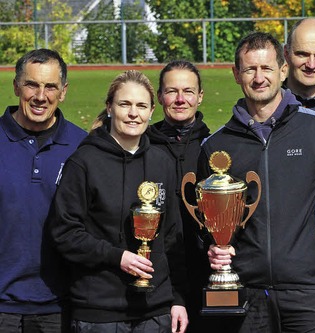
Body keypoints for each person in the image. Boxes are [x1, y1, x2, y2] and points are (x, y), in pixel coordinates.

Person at [202, 31, 315, 332]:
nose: (258, 78)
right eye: (250, 69)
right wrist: (211, 248)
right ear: (236, 74)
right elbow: (203, 224)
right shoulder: (217, 147)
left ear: (282, 71)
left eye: (266, 68)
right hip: (245, 292)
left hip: (307, 290)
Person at [49, 70, 188, 333]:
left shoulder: (162, 163)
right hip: (100, 313)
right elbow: (65, 233)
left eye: (141, 106)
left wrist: (178, 299)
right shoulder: (84, 162)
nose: (133, 113)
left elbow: (172, 237)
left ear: (151, 111)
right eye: (125, 104)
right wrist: (117, 257)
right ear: (110, 107)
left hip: (154, 311)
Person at [0, 48, 87, 332]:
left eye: (50, 86)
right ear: (16, 86)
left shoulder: (83, 146)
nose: (40, 96)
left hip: (60, 307)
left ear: (63, 91)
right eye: (31, 84)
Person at [146, 60, 212, 332]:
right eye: (172, 91)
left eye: (188, 91)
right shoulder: (144, 146)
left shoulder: (215, 147)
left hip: (206, 270)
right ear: (160, 96)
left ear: (200, 96)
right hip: (156, 273)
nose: (181, 99)